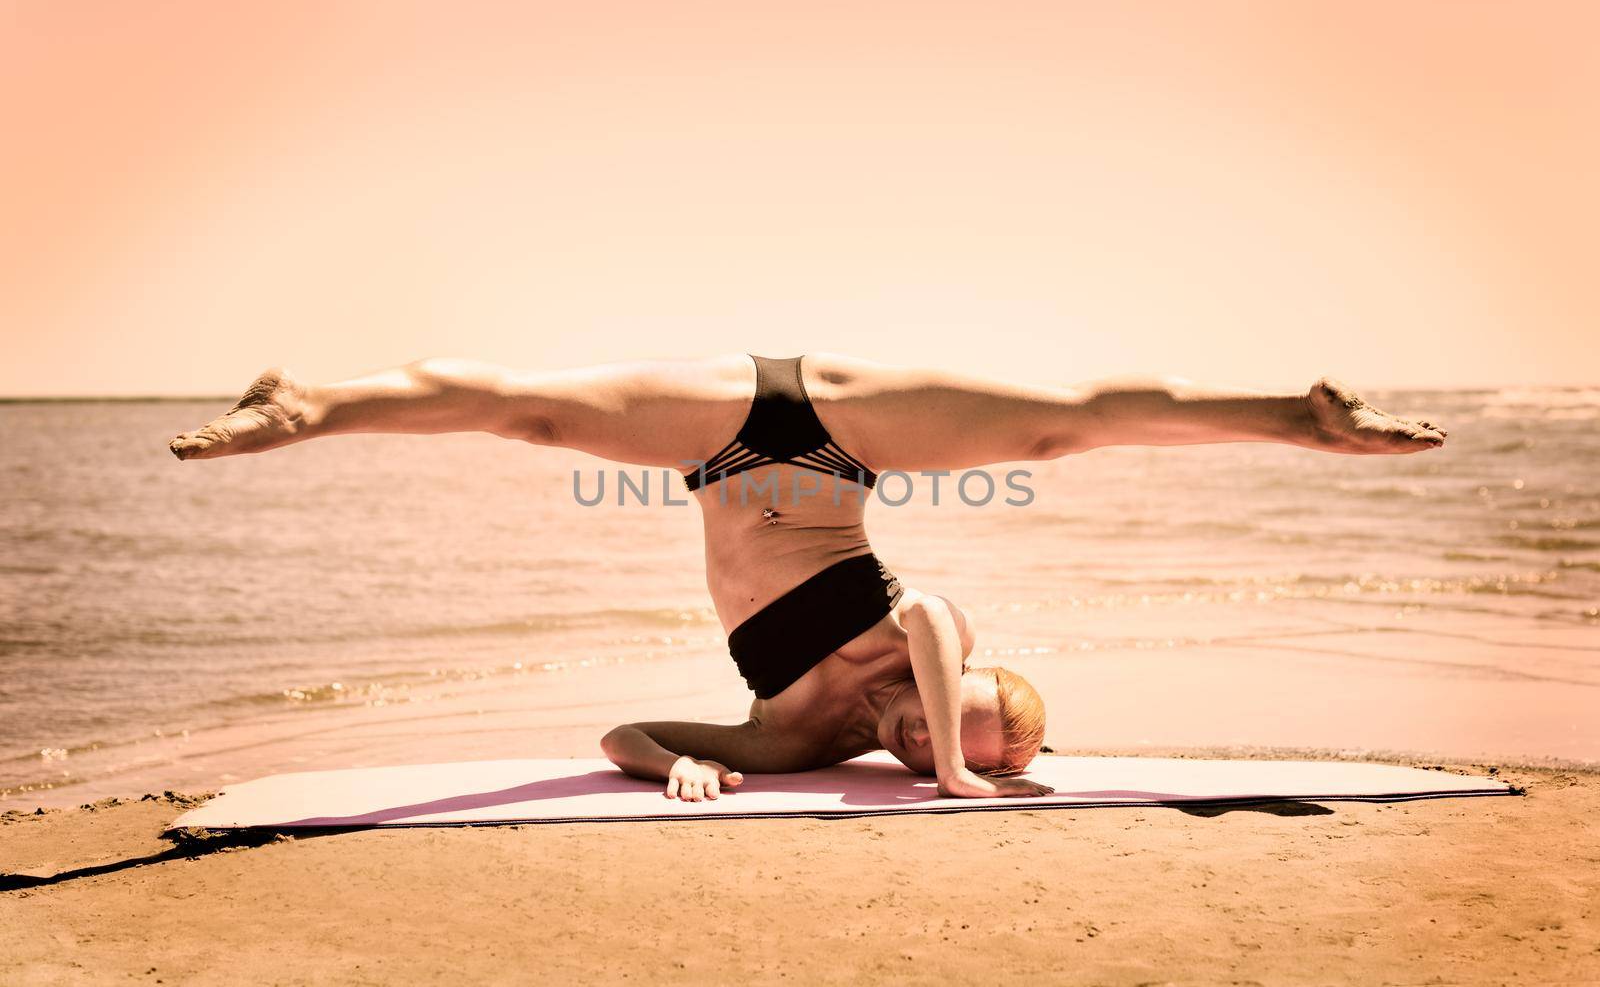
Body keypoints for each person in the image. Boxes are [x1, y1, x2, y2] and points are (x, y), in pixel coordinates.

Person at [169, 353, 1446, 801]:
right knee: (1063, 422)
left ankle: (307, 404)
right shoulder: (929, 640)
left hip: (713, 450)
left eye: (929, 739)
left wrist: (669, 759)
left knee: (537, 424)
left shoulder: (789, 742)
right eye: (947, 713)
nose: (905, 717)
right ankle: (1300, 416)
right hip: (843, 430)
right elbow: (938, 621)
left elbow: (624, 728)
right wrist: (951, 761)